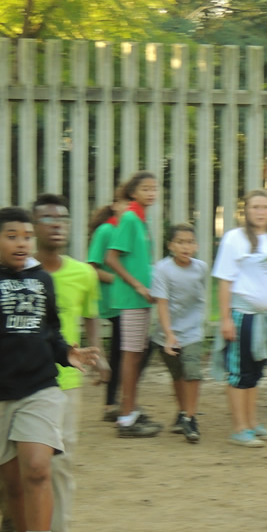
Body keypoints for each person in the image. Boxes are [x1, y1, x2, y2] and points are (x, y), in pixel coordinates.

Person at [0, 206, 98, 532]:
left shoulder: (41, 279)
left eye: (26, 236)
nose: (21, 243)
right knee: (12, 485)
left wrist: (68, 353)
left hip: (40, 387)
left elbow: (49, 330)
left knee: (37, 469)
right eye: (12, 236)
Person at [213, 190, 267, 448]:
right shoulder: (234, 239)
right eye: (255, 207)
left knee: (256, 372)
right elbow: (224, 282)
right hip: (243, 318)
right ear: (246, 211)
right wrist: (226, 319)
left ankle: (252, 423)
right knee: (240, 373)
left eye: (266, 207)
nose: (261, 212)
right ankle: (239, 428)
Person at [104, 171, 162, 437]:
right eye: (145, 189)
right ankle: (126, 419)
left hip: (141, 300)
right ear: (133, 192)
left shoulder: (140, 220)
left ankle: (131, 412)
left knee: (136, 354)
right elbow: (111, 258)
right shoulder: (129, 218)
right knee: (130, 355)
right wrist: (138, 285)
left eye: (154, 188)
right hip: (132, 299)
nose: (151, 193)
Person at [152, 224, 208, 443]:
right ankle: (183, 411)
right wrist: (169, 334)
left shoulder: (201, 268)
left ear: (197, 246)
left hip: (192, 331)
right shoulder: (162, 269)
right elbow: (162, 303)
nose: (186, 247)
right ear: (171, 246)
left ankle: (190, 418)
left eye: (190, 242)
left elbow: (200, 297)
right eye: (180, 242)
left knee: (192, 372)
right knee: (178, 375)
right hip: (167, 333)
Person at [86, 195, 129, 422]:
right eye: (125, 202)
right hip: (111, 300)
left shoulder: (130, 230)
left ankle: (115, 400)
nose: (128, 207)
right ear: (115, 205)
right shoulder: (105, 231)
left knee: (125, 350)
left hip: (127, 300)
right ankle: (111, 403)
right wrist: (118, 280)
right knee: (122, 351)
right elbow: (91, 268)